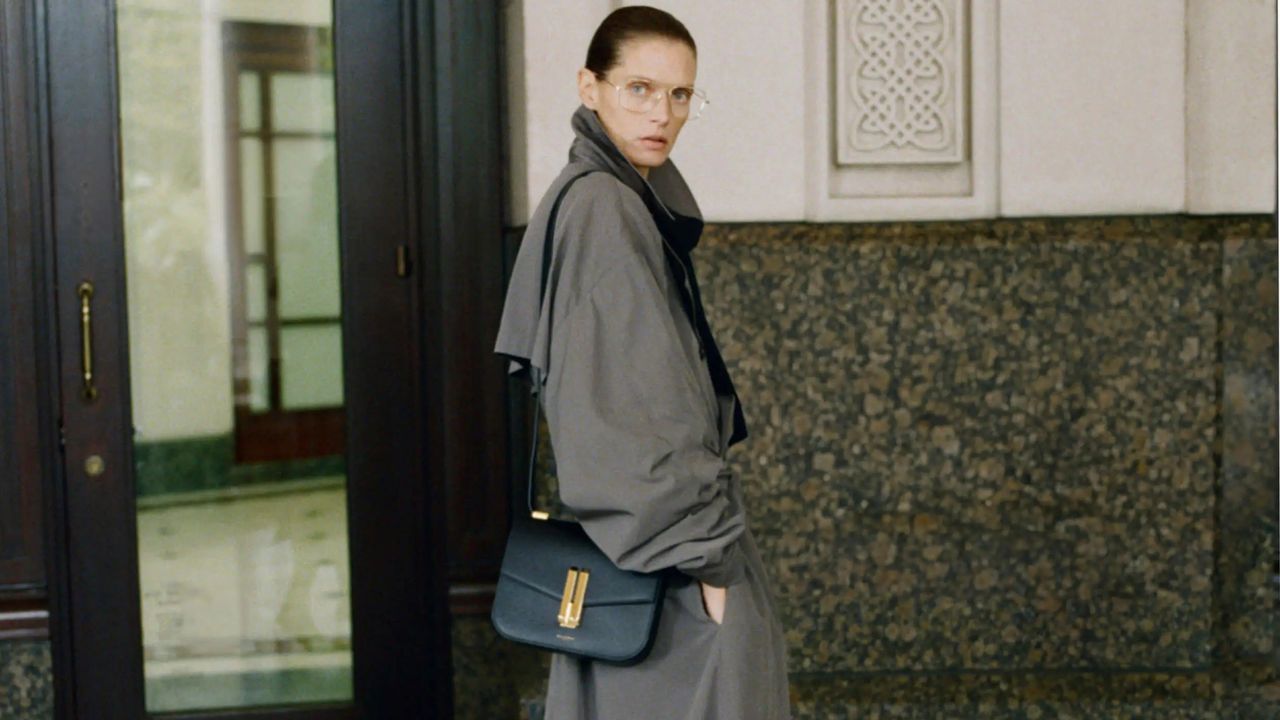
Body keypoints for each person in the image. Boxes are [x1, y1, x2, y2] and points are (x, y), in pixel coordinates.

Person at [493, 6, 791, 719]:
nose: (662, 113)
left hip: (648, 554)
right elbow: (637, 410)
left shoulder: (600, 196)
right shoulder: (605, 208)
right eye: (639, 88)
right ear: (588, 87)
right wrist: (712, 567)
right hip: (671, 569)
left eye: (680, 94)